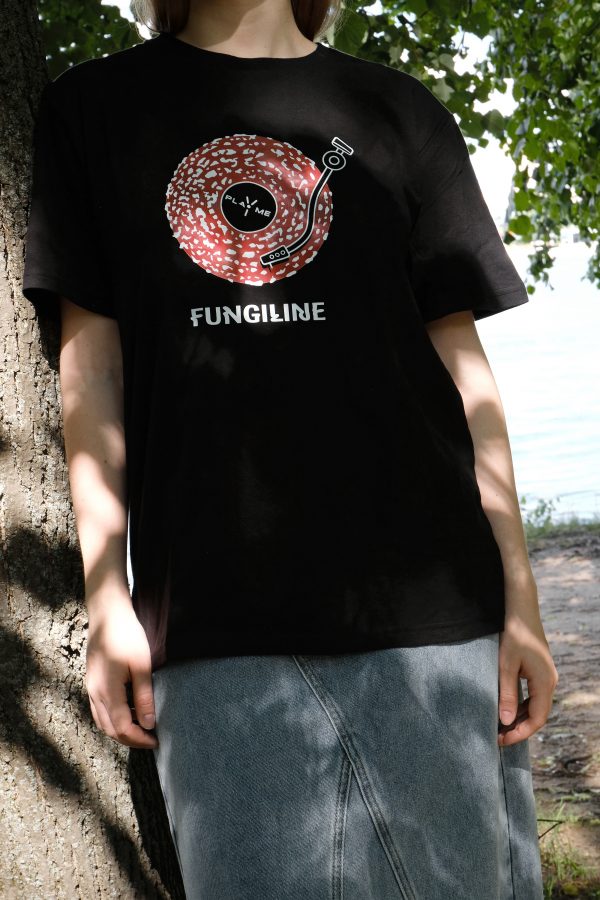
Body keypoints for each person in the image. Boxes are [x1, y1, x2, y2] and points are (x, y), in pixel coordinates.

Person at [22, 0, 559, 896]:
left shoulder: (400, 112)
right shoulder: (92, 112)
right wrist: (105, 591)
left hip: (434, 619)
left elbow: (464, 374)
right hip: (216, 625)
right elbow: (93, 369)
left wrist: (521, 601)